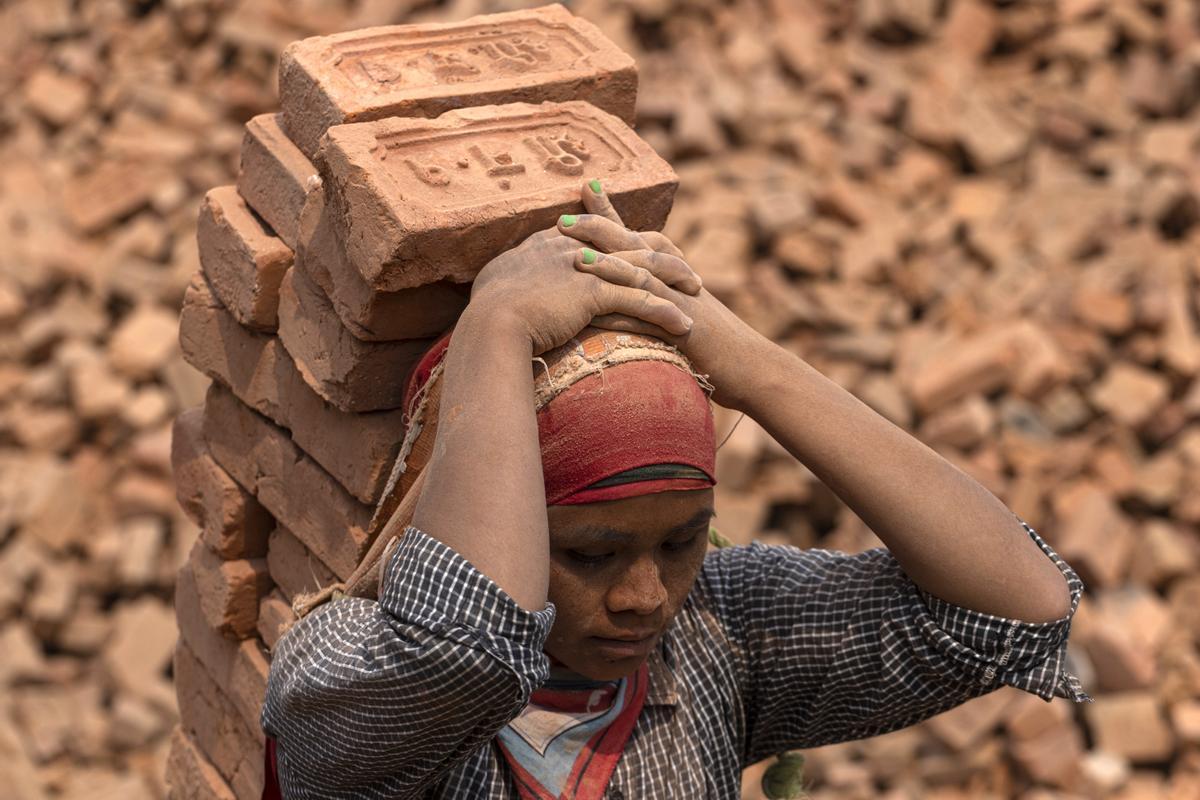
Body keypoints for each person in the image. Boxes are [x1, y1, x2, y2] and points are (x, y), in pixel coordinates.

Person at [260, 182, 1088, 800]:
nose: (646, 596)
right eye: (591, 552)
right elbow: (471, 648)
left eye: (683, 539)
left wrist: (746, 364)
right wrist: (498, 329)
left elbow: (1017, 609)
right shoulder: (341, 666)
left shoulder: (711, 640)